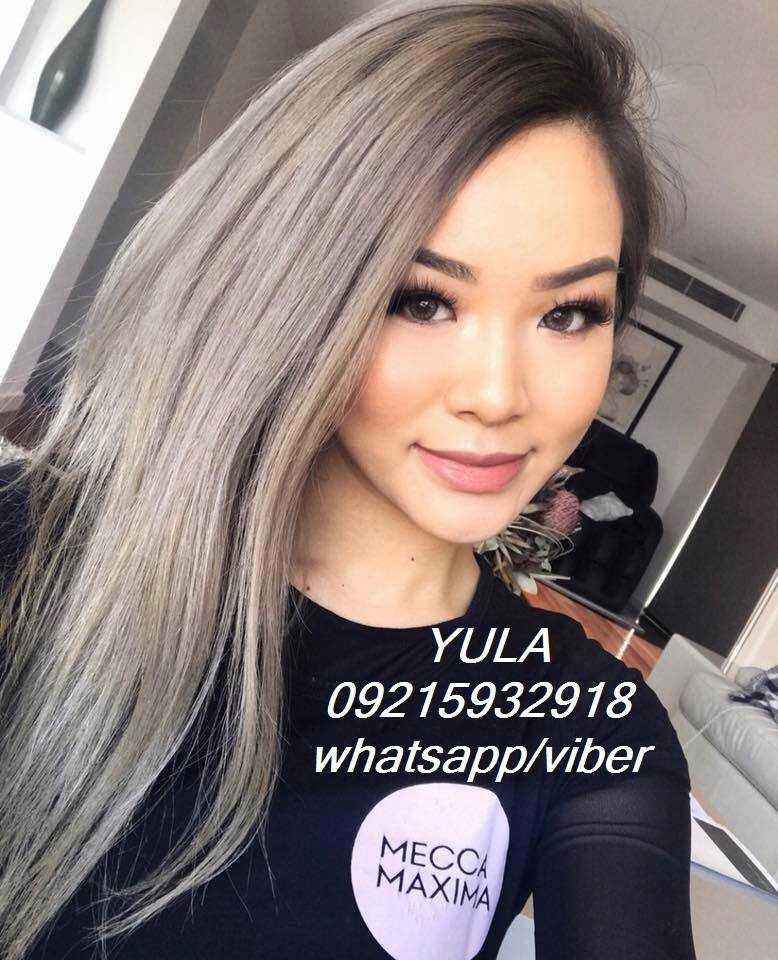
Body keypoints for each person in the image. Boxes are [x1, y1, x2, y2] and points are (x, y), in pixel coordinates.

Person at [0, 1, 695, 957]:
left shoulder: (586, 727)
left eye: (568, 314)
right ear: (294, 293)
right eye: (422, 299)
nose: (500, 396)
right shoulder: (32, 554)